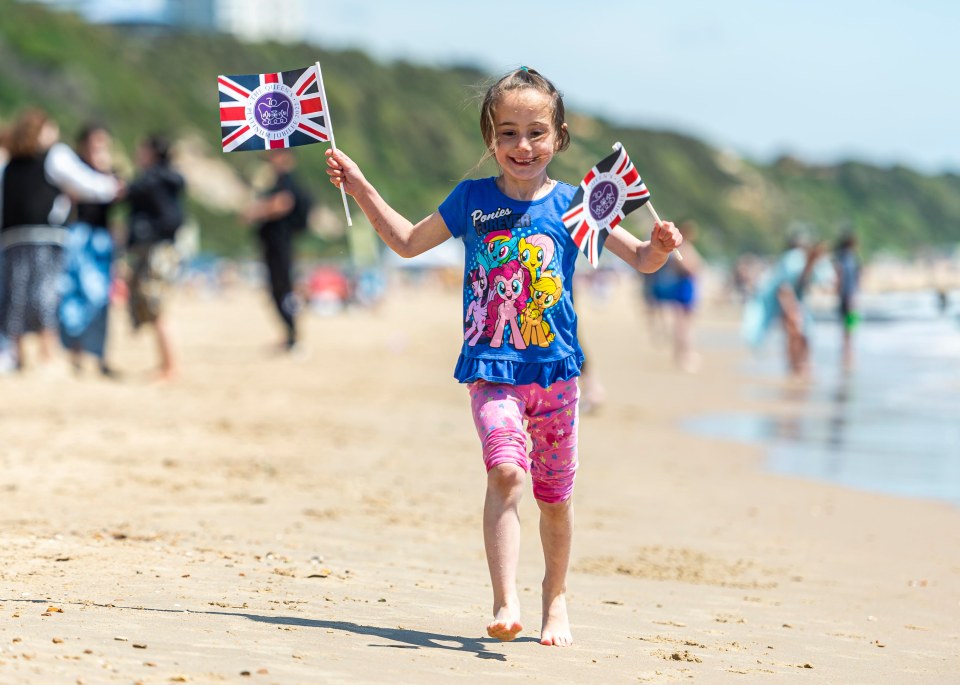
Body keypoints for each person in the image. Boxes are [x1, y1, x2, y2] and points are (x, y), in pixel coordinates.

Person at [324, 67, 683, 647]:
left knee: (555, 501)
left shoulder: (575, 203)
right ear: (490, 138)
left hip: (557, 375)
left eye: (536, 132)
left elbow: (640, 259)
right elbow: (408, 242)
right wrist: (361, 185)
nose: (523, 146)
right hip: (492, 371)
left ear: (560, 137)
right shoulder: (472, 199)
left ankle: (555, 596)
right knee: (506, 472)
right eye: (508, 132)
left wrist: (659, 247)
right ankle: (505, 598)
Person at [0, 108, 120, 372]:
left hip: (12, 237)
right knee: (45, 294)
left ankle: (18, 355)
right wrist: (113, 186)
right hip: (45, 235)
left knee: (15, 296)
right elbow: (84, 183)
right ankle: (47, 355)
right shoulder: (54, 156)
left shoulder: (10, 164)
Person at [58, 123, 122, 377]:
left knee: (100, 299)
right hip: (78, 237)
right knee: (74, 296)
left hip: (101, 239)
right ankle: (76, 353)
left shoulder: (110, 173)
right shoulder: (73, 171)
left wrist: (105, 171)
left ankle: (97, 355)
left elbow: (119, 198)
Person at [126, 134, 185, 381]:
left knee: (157, 307)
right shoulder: (168, 179)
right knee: (156, 307)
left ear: (151, 152)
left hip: (156, 250)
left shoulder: (151, 181)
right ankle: (166, 364)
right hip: (164, 248)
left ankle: (169, 367)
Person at [243, 149, 311, 352]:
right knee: (278, 289)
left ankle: (293, 336)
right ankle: (289, 335)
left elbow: (283, 203)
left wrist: (255, 211)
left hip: (281, 243)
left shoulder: (286, 179)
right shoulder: (279, 180)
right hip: (276, 243)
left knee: (282, 288)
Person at [650, 219, 704, 372]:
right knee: (682, 325)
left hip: (688, 287)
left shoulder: (686, 248)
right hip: (683, 287)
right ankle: (683, 356)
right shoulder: (680, 249)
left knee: (686, 324)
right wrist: (691, 268)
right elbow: (687, 267)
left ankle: (683, 354)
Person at [834, 232, 860, 369]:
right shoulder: (849, 258)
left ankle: (846, 351)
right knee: (849, 326)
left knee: (846, 327)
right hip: (849, 296)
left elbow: (839, 278)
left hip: (844, 296)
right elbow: (849, 279)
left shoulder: (842, 257)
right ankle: (848, 352)